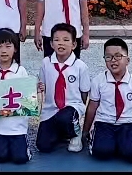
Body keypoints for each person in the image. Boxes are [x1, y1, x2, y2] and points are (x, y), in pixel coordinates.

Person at [82, 38, 132, 163]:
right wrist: (85, 131)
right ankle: (112, 143)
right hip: (104, 122)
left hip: (128, 123)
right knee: (100, 152)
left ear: (127, 60)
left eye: (118, 56)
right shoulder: (98, 81)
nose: (113, 60)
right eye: (108, 57)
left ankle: (122, 143)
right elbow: (92, 107)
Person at [36, 23, 91, 154]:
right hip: (51, 110)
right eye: (57, 40)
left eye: (66, 40)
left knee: (66, 116)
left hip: (72, 107)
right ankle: (62, 132)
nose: (61, 43)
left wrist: (77, 109)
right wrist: (39, 87)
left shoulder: (80, 66)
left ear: (74, 44)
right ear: (51, 44)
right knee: (43, 146)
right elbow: (42, 85)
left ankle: (75, 133)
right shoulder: (46, 63)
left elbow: (84, 93)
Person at [0, 28, 31, 164]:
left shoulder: (21, 71)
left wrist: (36, 88)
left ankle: (24, 148)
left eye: (8, 46)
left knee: (20, 158)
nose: (3, 50)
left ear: (15, 49)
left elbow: (27, 97)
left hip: (17, 126)